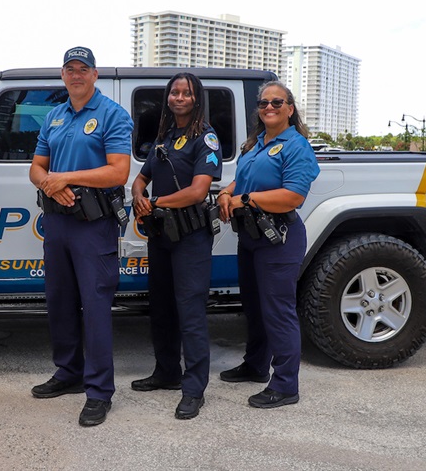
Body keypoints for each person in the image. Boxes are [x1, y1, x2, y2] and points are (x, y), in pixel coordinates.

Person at [28, 46, 133, 427]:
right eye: (70, 69)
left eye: (82, 69)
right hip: (57, 221)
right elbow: (37, 168)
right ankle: (68, 373)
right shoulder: (53, 116)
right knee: (60, 301)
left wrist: (67, 178)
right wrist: (50, 184)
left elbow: (118, 172)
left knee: (96, 306)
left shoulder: (112, 115)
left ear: (94, 75)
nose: (76, 75)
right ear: (63, 75)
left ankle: (99, 392)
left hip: (93, 224)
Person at [217, 80, 319, 409]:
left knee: (278, 312)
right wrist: (225, 192)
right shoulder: (255, 144)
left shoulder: (296, 145)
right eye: (263, 104)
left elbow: (293, 196)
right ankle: (256, 365)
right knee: (255, 308)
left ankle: (286, 385)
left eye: (277, 102)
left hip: (279, 238)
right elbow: (240, 179)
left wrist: (245, 199)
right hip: (250, 236)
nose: (269, 108)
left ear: (290, 109)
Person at [129, 72, 222, 420]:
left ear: (196, 99)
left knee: (191, 313)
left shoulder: (205, 138)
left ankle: (194, 388)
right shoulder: (166, 137)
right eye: (174, 92)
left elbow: (199, 191)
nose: (178, 97)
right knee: (163, 307)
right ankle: (166, 372)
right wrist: (138, 194)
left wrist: (156, 203)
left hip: (190, 238)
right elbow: (142, 177)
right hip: (162, 236)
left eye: (186, 93)